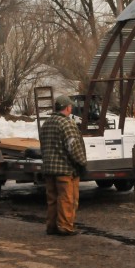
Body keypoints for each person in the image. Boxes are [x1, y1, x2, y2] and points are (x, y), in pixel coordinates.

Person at [41, 95, 87, 236]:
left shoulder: (47, 123)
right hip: (65, 170)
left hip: (49, 169)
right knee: (67, 199)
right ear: (67, 107)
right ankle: (65, 226)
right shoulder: (67, 124)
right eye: (70, 107)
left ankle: (52, 226)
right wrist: (82, 163)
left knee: (52, 199)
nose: (71, 109)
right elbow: (73, 147)